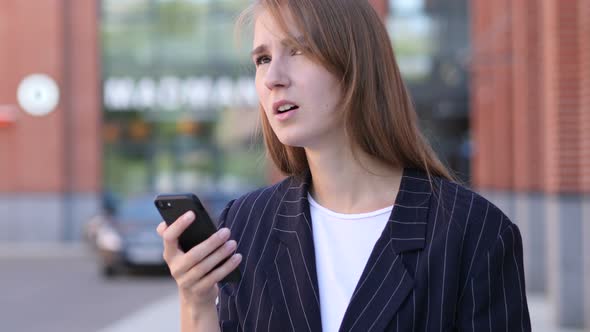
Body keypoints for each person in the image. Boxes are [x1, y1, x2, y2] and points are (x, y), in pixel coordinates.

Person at [156, 0, 531, 331]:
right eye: (262, 59)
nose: (272, 78)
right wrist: (196, 300)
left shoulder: (474, 232)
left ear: (355, 63)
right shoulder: (245, 225)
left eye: (298, 49)